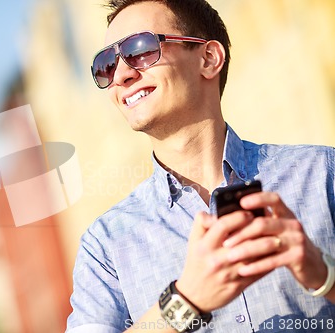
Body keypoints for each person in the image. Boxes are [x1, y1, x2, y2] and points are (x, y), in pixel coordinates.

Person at [66, 0, 335, 332]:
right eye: (107, 64)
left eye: (140, 49)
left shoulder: (324, 173)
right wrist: (185, 300)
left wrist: (325, 275)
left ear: (208, 59)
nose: (121, 75)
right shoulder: (105, 245)